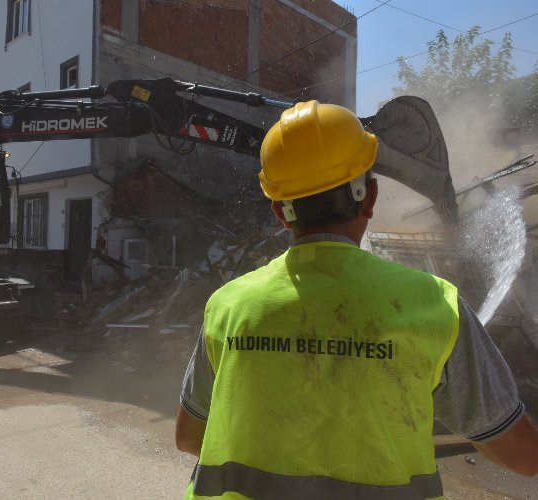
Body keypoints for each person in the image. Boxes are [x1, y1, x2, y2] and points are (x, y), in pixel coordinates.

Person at [175, 100, 538, 499]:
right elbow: (522, 457)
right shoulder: (435, 305)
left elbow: (189, 438)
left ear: (280, 212)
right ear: (370, 197)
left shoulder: (227, 305)